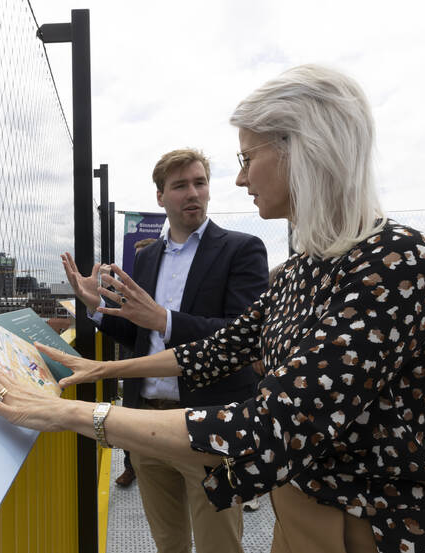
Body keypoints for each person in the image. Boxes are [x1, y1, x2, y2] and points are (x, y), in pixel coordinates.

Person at [0, 64, 425, 553]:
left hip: (376, 527)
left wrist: (73, 413)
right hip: (298, 516)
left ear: (304, 150)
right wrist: (105, 367)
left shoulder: (401, 260)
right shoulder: (300, 270)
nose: (241, 179)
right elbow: (217, 348)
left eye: (247, 158)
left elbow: (277, 425)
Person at [63, 146, 268, 553]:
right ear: (160, 197)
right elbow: (142, 335)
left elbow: (244, 335)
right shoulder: (149, 256)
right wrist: (96, 308)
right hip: (146, 424)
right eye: (180, 186)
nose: (193, 193)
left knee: (219, 546)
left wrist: (165, 320)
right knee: (167, 543)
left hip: (210, 423)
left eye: (200, 182)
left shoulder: (242, 249)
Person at [116, 236, 159, 489]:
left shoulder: (164, 286)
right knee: (131, 420)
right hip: (137, 361)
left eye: (145, 254)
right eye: (138, 256)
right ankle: (130, 467)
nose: (140, 261)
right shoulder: (129, 288)